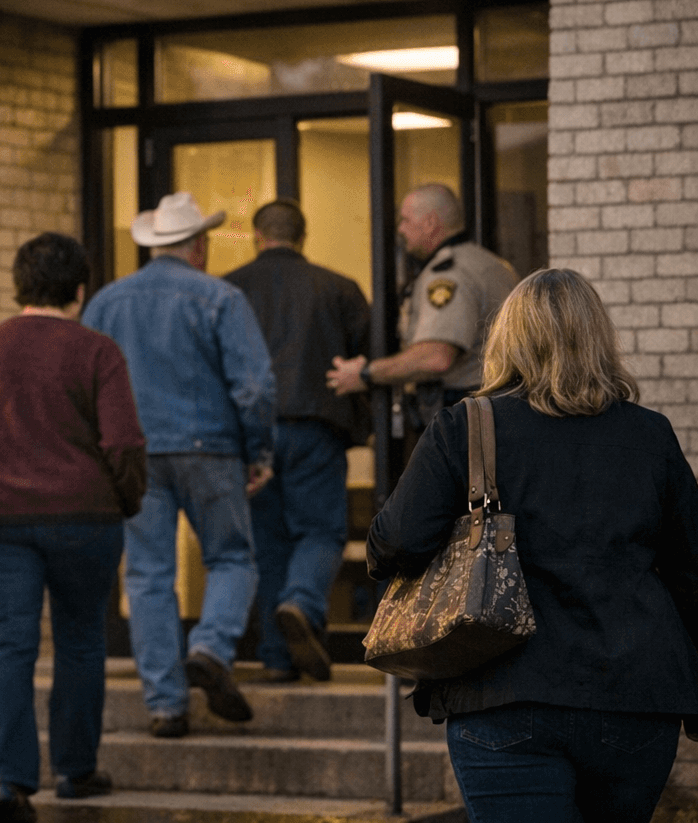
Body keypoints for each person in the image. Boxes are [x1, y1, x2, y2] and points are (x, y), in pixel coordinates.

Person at [368, 268, 698, 822]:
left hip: (504, 692)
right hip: (635, 699)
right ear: (600, 339)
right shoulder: (650, 435)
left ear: (508, 340)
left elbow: (397, 542)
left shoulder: (467, 428)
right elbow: (692, 573)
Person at [0, 232, 148, 823]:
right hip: (88, 520)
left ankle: (9, 781)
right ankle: (76, 771)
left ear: (19, 285)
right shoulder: (98, 350)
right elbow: (124, 442)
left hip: (1, 525)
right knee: (81, 641)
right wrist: (127, 500)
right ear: (80, 290)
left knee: (9, 646)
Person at [83, 191, 276, 734]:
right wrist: (259, 450)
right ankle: (211, 648)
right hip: (211, 448)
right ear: (198, 246)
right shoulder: (221, 297)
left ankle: (166, 705)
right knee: (232, 558)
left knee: (148, 576)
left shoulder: (106, 303)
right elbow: (255, 387)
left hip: (135, 456)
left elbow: (87, 385)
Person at [224, 200, 369, 684]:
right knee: (321, 532)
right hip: (315, 427)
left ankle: (276, 657)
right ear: (303, 236)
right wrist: (361, 429)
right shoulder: (339, 288)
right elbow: (365, 363)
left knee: (267, 545)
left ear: (256, 236)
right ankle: (302, 603)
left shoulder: (230, 289)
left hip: (252, 431)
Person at [327, 183, 516, 417]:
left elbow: (435, 357)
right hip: (495, 407)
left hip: (463, 411)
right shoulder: (491, 264)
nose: (401, 229)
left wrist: (366, 373)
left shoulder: (448, 275)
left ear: (429, 223)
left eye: (405, 220)